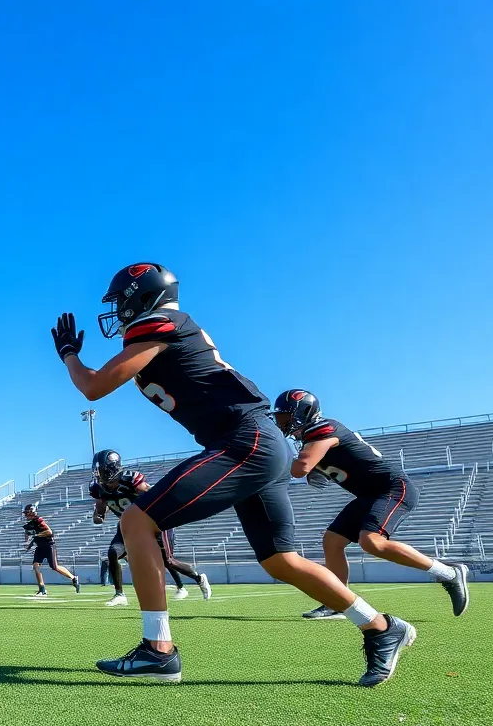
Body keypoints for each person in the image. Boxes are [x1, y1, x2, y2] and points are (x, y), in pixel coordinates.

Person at [52, 262, 413, 686]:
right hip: (255, 442)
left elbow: (93, 387)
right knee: (282, 561)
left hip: (245, 441)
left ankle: (158, 649)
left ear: (139, 297)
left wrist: (69, 356)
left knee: (136, 519)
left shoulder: (160, 322)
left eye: (119, 301)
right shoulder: (166, 327)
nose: (117, 311)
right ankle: (382, 627)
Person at [274, 390, 469, 618]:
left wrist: (270, 458)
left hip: (393, 488)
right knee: (333, 541)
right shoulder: (311, 438)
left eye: (286, 417)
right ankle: (338, 601)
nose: (282, 423)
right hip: (369, 495)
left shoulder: (323, 428)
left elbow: (300, 469)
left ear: (303, 413)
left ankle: (448, 573)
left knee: (371, 542)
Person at [89, 450, 211, 607]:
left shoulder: (130, 480)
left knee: (168, 561)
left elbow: (155, 495)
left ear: (113, 468)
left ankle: (199, 578)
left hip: (153, 521)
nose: (100, 475)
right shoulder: (98, 488)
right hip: (128, 524)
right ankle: (120, 595)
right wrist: (98, 516)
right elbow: (99, 513)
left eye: (103, 471)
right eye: (97, 472)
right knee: (113, 552)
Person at [22, 504, 80, 597]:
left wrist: (37, 536)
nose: (25, 515)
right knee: (35, 565)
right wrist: (27, 542)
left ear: (32, 512)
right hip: (40, 547)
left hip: (49, 546)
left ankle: (73, 578)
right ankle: (42, 588)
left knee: (54, 567)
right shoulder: (31, 523)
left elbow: (49, 532)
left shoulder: (39, 521)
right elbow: (27, 531)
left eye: (27, 513)